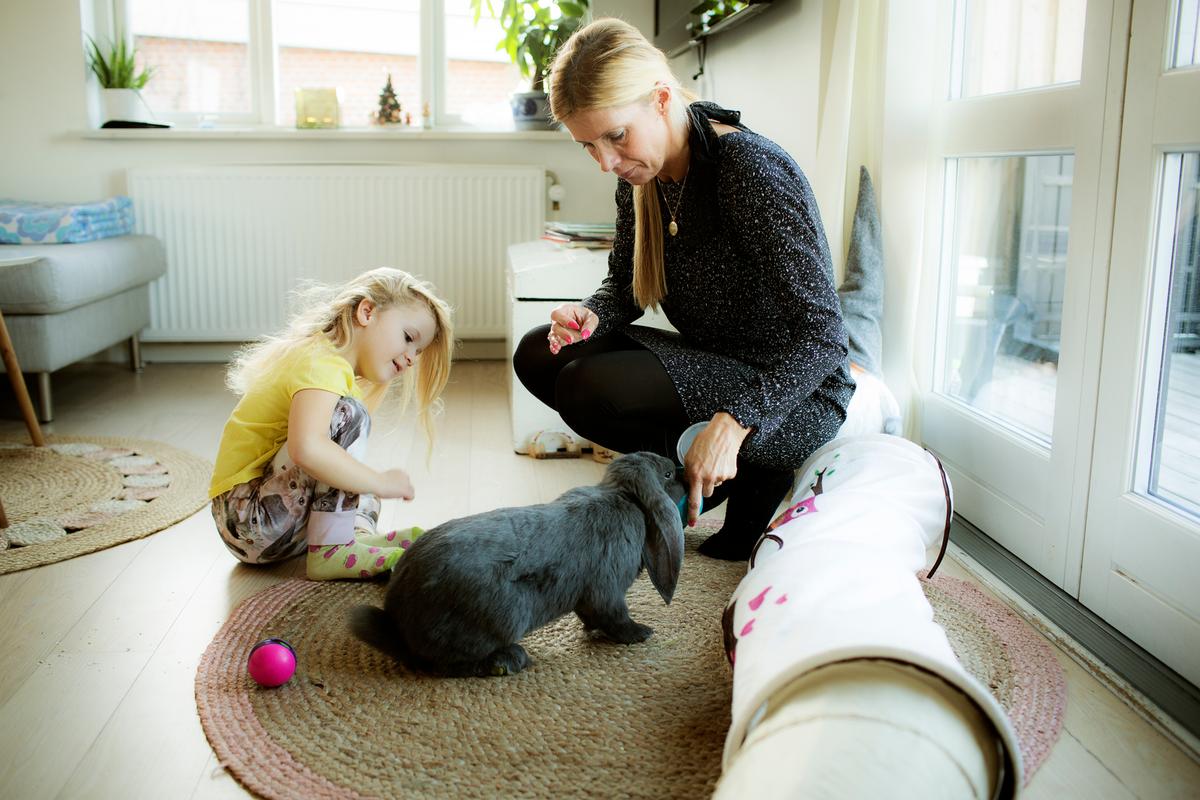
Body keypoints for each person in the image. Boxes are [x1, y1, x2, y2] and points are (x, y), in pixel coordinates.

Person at [512, 18, 855, 561]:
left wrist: (736, 420)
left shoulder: (748, 170)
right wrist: (593, 314)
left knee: (588, 386)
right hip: (716, 363)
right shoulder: (643, 178)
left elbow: (825, 338)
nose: (605, 161)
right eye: (587, 146)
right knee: (540, 353)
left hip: (794, 395)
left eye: (615, 136)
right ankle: (708, 479)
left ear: (662, 99)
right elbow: (624, 286)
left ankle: (748, 468)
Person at [209, 267, 453, 580]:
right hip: (246, 520)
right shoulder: (320, 361)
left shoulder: (334, 370)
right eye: (408, 338)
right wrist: (379, 481)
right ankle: (333, 550)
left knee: (356, 481)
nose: (410, 358)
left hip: (269, 528)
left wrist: (368, 484)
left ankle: (355, 538)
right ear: (367, 311)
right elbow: (306, 448)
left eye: (417, 352)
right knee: (349, 424)